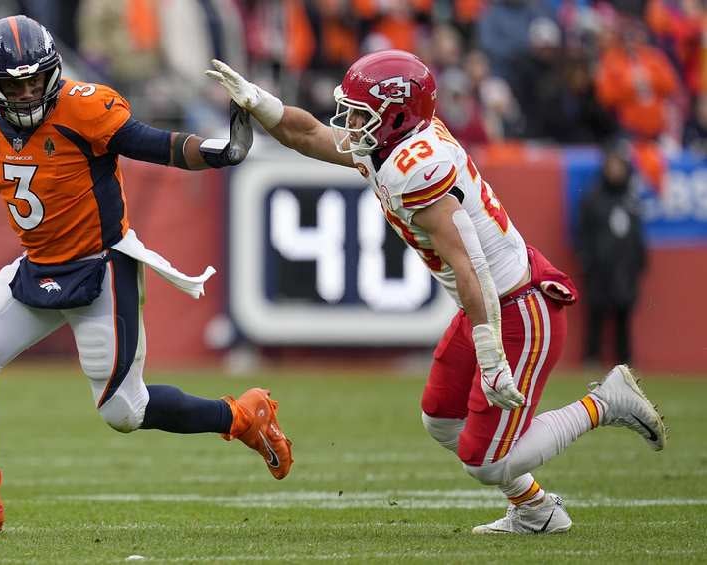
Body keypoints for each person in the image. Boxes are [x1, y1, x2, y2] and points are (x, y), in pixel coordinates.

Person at [0, 15, 292, 536]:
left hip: (101, 267)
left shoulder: (84, 107)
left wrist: (219, 152)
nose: (27, 94)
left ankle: (242, 417)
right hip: (38, 266)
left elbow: (155, 144)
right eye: (14, 86)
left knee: (125, 411)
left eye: (35, 81)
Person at [207, 50, 666, 534]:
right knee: (442, 419)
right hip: (486, 301)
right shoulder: (390, 144)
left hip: (517, 306)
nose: (351, 122)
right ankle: (537, 511)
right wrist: (257, 100)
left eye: (362, 113)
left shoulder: (415, 166)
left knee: (486, 462)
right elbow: (309, 134)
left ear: (397, 116)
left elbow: (469, 264)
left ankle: (605, 403)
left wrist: (491, 354)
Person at [578, 144, 647, 367]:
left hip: (625, 267)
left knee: (623, 314)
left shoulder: (631, 199)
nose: (615, 171)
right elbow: (584, 233)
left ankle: (625, 360)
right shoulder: (593, 199)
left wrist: (640, 261)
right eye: (611, 166)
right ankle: (591, 357)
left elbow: (637, 234)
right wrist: (587, 259)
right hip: (599, 266)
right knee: (596, 312)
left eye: (619, 166)